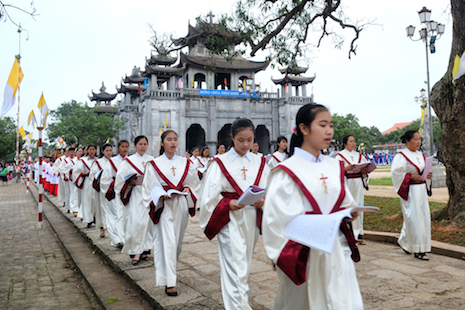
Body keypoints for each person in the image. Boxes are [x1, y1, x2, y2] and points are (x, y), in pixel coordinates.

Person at [262, 103, 363, 310]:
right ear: (304, 128)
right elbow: (275, 221)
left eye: (331, 125)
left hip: (337, 250)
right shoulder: (286, 172)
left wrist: (347, 213)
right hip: (306, 255)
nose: (329, 131)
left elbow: (345, 201)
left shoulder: (334, 166)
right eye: (323, 125)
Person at [199, 118, 270, 310]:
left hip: (251, 218)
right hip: (229, 219)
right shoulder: (219, 163)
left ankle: (240, 302)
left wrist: (265, 201)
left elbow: (270, 190)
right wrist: (228, 203)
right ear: (232, 137)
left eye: (249, 140)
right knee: (235, 266)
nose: (245, 144)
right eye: (241, 140)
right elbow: (208, 197)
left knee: (244, 264)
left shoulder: (260, 161)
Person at [142, 130, 200, 297]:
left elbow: (194, 184)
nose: (173, 143)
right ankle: (170, 282)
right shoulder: (154, 164)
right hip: (164, 205)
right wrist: (160, 194)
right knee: (167, 241)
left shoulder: (186, 163)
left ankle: (169, 272)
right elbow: (148, 188)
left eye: (175, 139)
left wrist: (188, 189)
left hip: (180, 203)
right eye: (169, 139)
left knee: (177, 243)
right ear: (162, 143)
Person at [391, 130, 433, 261]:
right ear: (407, 141)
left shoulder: (420, 155)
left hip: (421, 190)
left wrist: (427, 176)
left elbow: (423, 170)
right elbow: (396, 173)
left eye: (419, 139)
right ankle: (418, 249)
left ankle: (405, 241)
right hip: (410, 191)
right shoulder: (401, 156)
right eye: (415, 139)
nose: (418, 142)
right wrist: (410, 177)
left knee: (422, 217)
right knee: (414, 218)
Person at [114, 136, 154, 265]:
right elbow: (120, 180)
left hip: (148, 194)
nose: (143, 146)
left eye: (145, 144)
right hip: (134, 195)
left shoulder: (152, 160)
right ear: (135, 146)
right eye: (140, 144)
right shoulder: (128, 161)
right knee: (135, 222)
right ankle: (136, 251)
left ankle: (144, 250)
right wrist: (129, 182)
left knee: (147, 223)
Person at [336, 135, 370, 243]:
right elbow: (335, 171)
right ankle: (350, 233)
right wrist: (345, 168)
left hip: (358, 183)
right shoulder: (340, 156)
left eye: (354, 141)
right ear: (345, 143)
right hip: (347, 182)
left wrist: (365, 172)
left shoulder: (359, 156)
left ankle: (359, 232)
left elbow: (365, 171)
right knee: (349, 206)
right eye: (351, 141)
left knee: (359, 205)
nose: (353, 143)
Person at [100, 140, 129, 249]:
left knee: (124, 215)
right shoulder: (112, 161)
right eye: (122, 147)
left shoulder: (130, 161)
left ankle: (124, 237)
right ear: (118, 148)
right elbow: (105, 178)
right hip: (115, 192)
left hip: (126, 191)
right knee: (115, 215)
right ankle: (116, 239)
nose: (125, 149)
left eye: (127, 147)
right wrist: (112, 186)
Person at [90, 143, 113, 238]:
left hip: (112, 188)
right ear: (103, 151)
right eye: (106, 150)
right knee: (101, 209)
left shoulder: (114, 161)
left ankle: (113, 230)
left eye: (110, 150)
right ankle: (102, 228)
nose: (109, 153)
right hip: (101, 189)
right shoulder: (98, 162)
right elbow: (92, 175)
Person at [73, 144, 97, 226]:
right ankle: (88, 219)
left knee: (96, 200)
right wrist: (83, 174)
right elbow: (76, 172)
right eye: (90, 149)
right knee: (87, 201)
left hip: (96, 182)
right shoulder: (83, 161)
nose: (92, 151)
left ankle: (95, 217)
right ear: (87, 151)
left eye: (93, 149)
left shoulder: (99, 161)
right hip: (87, 182)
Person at [63, 148, 78, 214]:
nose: (72, 153)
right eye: (70, 152)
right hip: (70, 179)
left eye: (73, 152)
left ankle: (76, 208)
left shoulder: (77, 160)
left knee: (76, 193)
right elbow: (62, 169)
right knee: (71, 192)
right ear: (68, 153)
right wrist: (69, 172)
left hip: (77, 179)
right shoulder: (65, 160)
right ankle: (71, 208)